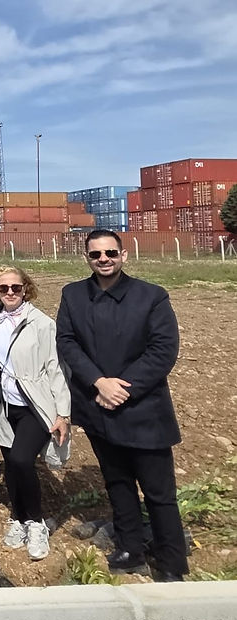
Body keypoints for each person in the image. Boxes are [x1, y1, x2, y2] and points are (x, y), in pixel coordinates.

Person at [56, 230, 188, 580]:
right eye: (96, 254)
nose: (104, 259)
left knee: (159, 493)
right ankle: (130, 548)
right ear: (87, 257)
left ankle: (172, 563)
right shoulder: (73, 295)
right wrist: (99, 382)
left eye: (110, 253)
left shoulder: (152, 297)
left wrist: (122, 388)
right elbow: (67, 343)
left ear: (123, 255)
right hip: (98, 405)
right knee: (117, 482)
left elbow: (163, 351)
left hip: (143, 410)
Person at [0, 266, 70, 561]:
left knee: (22, 459)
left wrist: (63, 413)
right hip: (1, 404)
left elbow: (54, 368)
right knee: (11, 464)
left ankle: (36, 523)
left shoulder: (42, 323)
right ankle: (18, 519)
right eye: (3, 288)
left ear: (25, 289)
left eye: (15, 288)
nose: (9, 293)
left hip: (34, 404)